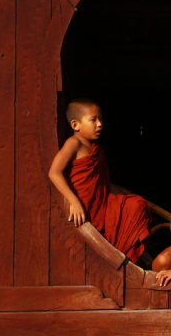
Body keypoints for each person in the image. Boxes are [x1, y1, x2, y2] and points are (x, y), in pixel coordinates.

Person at [48, 99, 151, 264]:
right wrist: (73, 201)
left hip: (101, 204)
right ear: (75, 125)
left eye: (101, 119)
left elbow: (102, 183)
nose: (99, 124)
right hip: (84, 206)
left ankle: (127, 251)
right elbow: (54, 172)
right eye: (93, 120)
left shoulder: (97, 149)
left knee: (137, 205)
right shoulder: (74, 143)